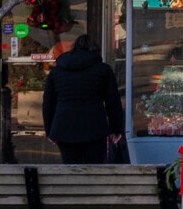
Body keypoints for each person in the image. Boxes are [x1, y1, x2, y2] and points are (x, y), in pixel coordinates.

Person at [41, 34, 125, 165]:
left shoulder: (57, 72)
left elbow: (48, 103)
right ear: (95, 50)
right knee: (94, 171)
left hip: (64, 128)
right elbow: (112, 101)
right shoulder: (103, 70)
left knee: (70, 171)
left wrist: (50, 130)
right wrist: (116, 128)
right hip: (95, 128)